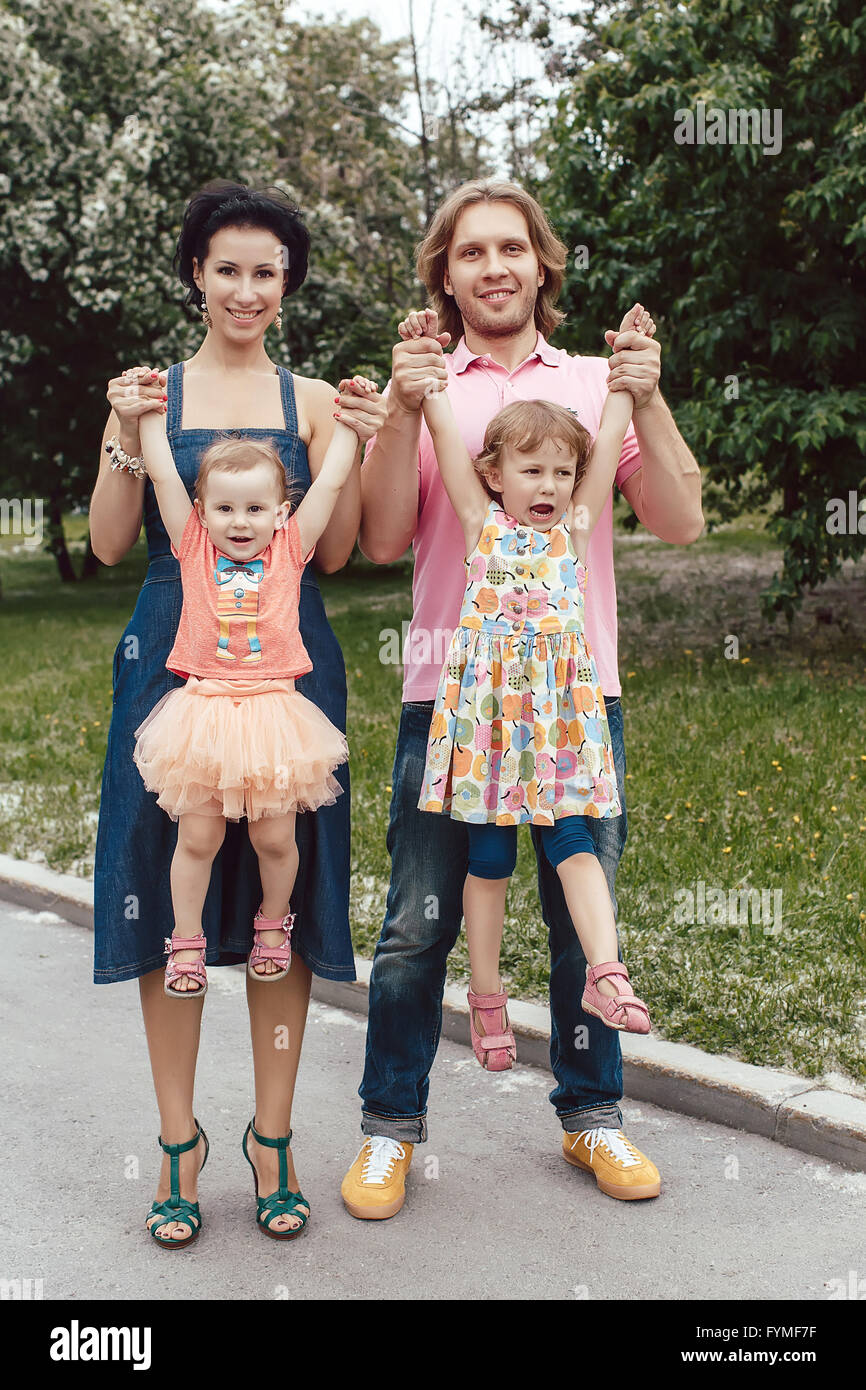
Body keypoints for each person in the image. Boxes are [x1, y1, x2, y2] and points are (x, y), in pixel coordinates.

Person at [342, 179, 703, 1220]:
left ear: (541, 262)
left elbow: (677, 523)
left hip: (573, 702)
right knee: (417, 925)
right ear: (443, 274)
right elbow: (375, 540)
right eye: (468, 252)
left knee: (575, 906)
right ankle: (389, 1129)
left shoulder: (598, 384)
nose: (492, 266)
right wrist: (403, 408)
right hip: (444, 703)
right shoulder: (432, 387)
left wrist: (648, 388)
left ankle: (591, 1116)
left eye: (510, 247)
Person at [90, 180, 386, 1244]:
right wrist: (128, 432)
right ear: (196, 275)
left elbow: (339, 551)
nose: (246, 289)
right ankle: (178, 1143)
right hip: (168, 670)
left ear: (287, 284)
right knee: (163, 902)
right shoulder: (150, 391)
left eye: (266, 271)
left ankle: (271, 1140)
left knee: (281, 905)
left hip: (290, 674)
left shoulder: (310, 401)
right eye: (227, 268)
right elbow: (112, 541)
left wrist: (358, 440)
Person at [406, 302, 654, 1072]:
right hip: (487, 721)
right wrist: (425, 366)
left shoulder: (574, 530)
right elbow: (445, 438)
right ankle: (485, 995)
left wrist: (629, 367)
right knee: (489, 861)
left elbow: (610, 439)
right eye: (531, 469)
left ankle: (605, 974)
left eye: (561, 471)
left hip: (560, 723)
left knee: (574, 841)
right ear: (495, 475)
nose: (547, 484)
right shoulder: (484, 524)